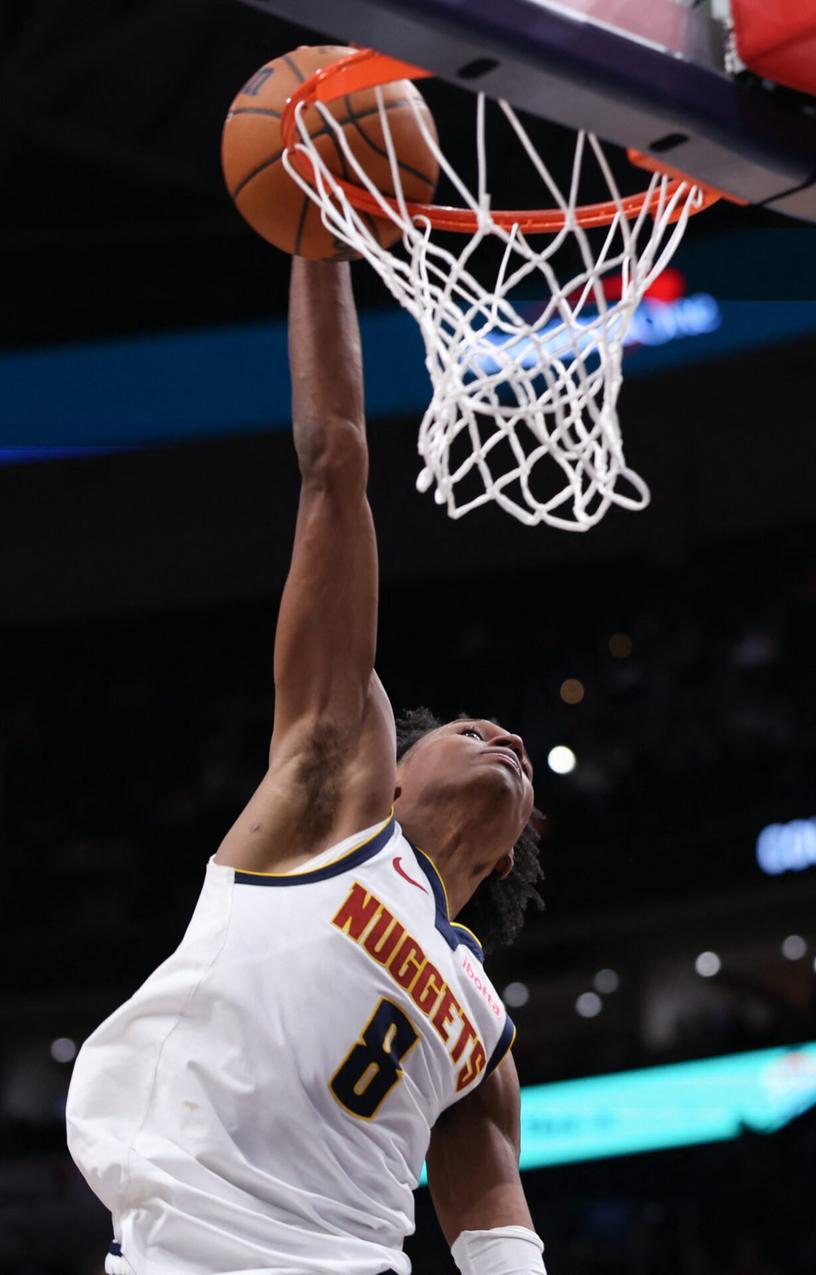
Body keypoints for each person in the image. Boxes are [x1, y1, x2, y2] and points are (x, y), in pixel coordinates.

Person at [66, 259, 546, 1275]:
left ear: (508, 861)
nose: (503, 737)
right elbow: (333, 463)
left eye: (514, 750)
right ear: (395, 775)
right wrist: (317, 241)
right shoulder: (331, 811)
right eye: (467, 728)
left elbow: (493, 1211)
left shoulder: (484, 1026)